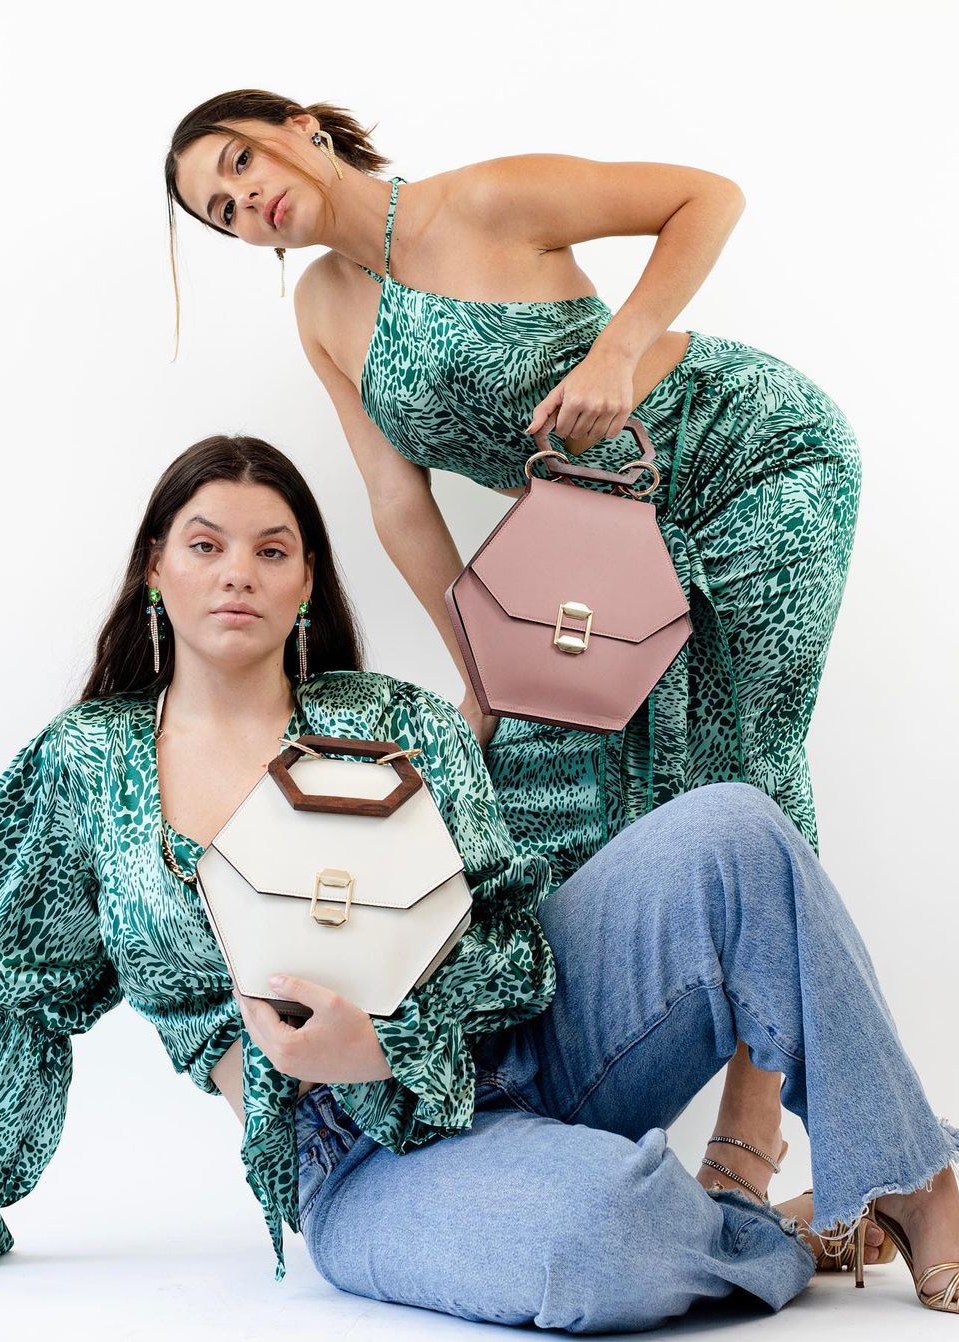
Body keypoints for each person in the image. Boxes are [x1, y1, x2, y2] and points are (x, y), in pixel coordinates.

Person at [0, 436, 955, 1325]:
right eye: (205, 545)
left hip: (534, 1046)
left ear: (307, 583)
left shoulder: (395, 719)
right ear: (155, 570)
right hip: (355, 1158)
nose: (238, 572)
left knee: (737, 828)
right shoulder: (86, 762)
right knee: (593, 1237)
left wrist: (388, 1039)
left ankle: (915, 1184)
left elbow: (512, 940)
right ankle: (776, 1225)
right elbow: (23, 1003)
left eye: (272, 549)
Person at [164, 88, 863, 1208]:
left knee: (751, 754)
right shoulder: (324, 309)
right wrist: (483, 662)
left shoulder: (484, 198)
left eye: (241, 164)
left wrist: (617, 354)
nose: (246, 203)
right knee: (557, 791)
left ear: (302, 128)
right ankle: (544, 1107)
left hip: (747, 450)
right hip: (605, 548)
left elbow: (708, 197)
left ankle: (753, 1125)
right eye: (221, 210)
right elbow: (399, 501)